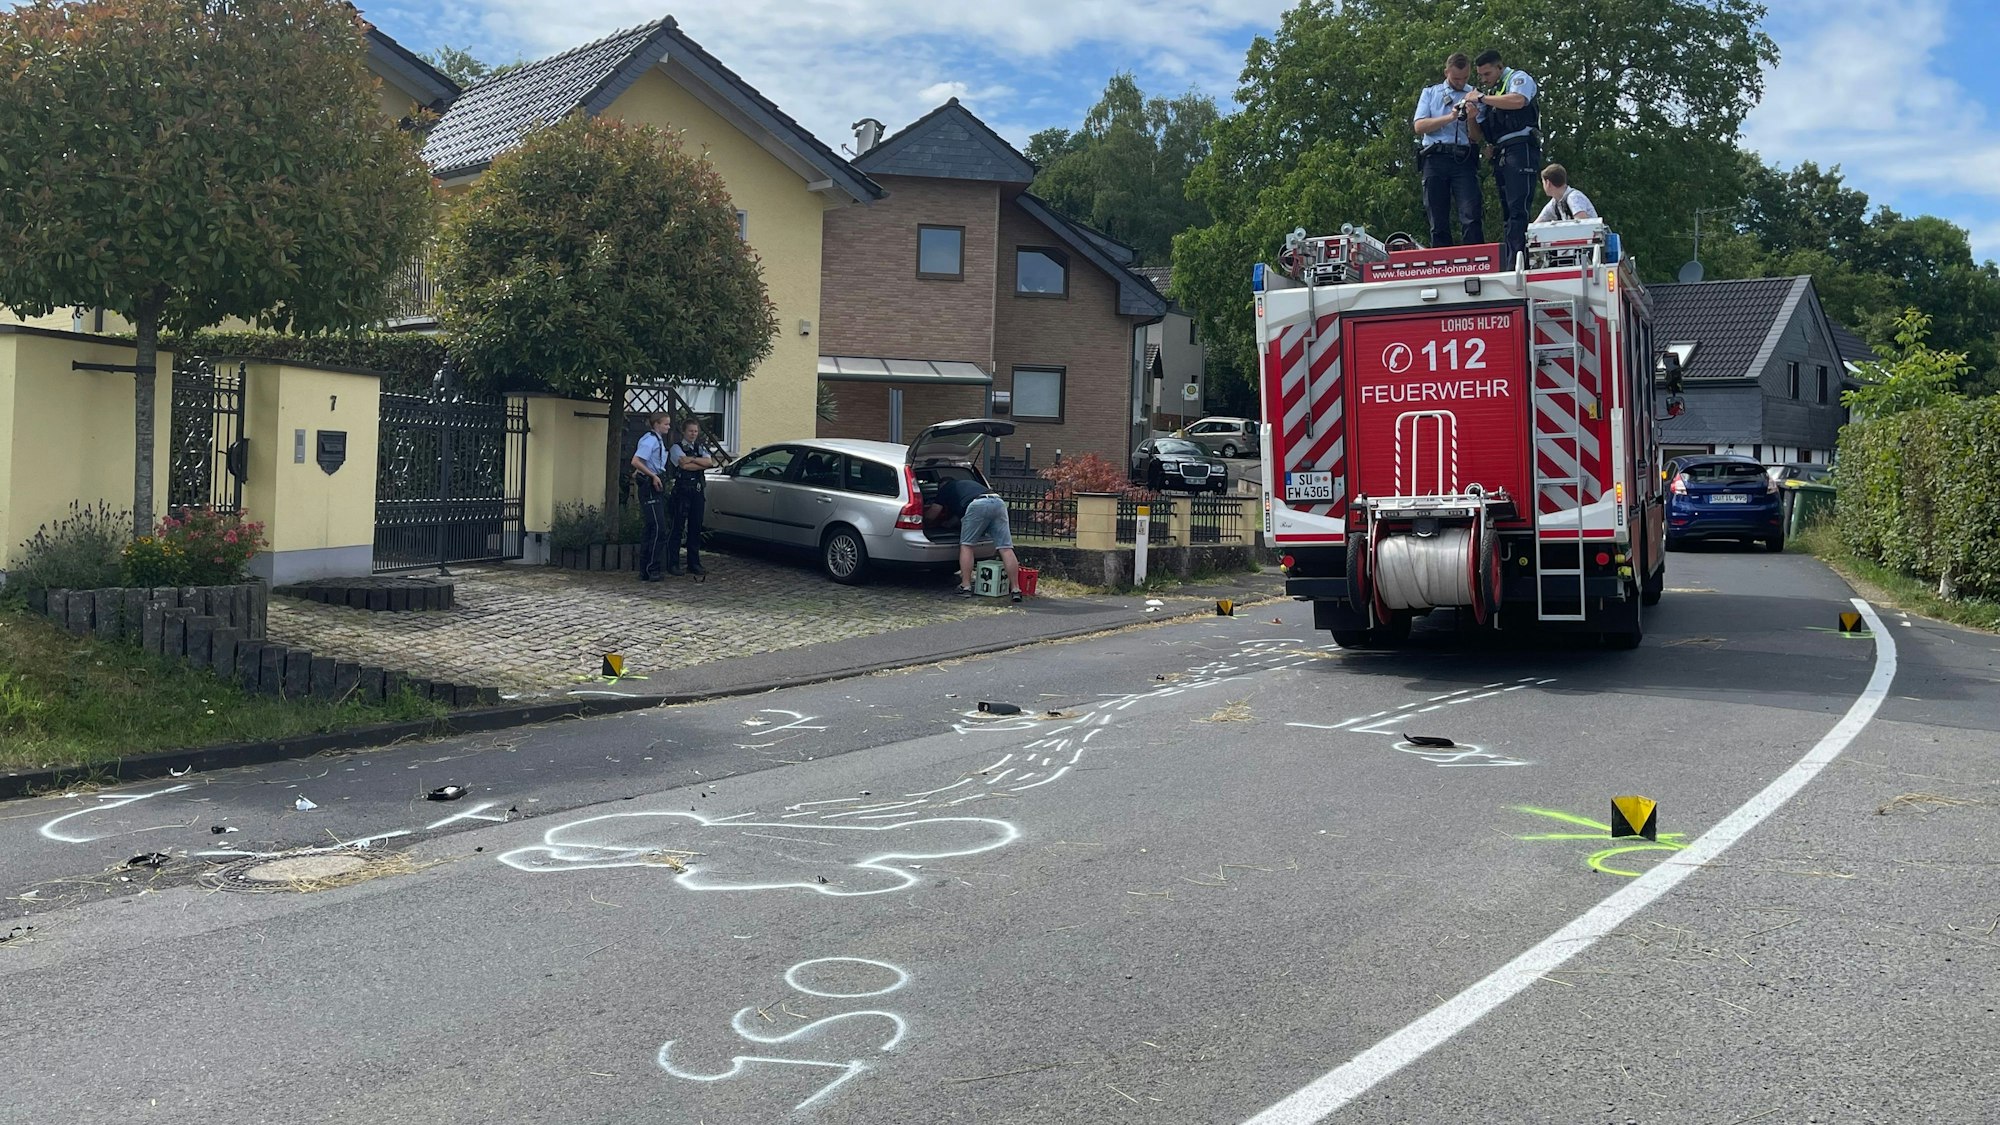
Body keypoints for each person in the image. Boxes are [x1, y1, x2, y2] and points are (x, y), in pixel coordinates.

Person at [1465, 48, 1541, 268]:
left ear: (1499, 67)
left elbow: (1518, 101)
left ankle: (1519, 263)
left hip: (1521, 148)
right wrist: (1471, 116)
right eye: (1480, 75)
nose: (1483, 79)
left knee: (1518, 208)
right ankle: (1512, 260)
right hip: (1501, 153)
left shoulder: (1517, 78)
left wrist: (1482, 97)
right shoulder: (1491, 94)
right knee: (1508, 212)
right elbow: (1476, 135)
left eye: (1487, 74)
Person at [1411, 52, 1484, 248]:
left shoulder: (1474, 94)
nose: (1460, 82)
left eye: (1465, 78)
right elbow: (1419, 126)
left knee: (1471, 213)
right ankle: (1442, 259)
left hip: (1463, 158)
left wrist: (1471, 117)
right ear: (1446, 72)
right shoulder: (1430, 93)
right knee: (1437, 215)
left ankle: (1475, 257)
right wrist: (1450, 117)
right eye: (1456, 78)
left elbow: (1476, 137)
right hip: (1435, 157)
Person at [923, 477, 1022, 603]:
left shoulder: (946, 488)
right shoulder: (966, 486)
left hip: (977, 505)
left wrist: (923, 521)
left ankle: (965, 586)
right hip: (998, 502)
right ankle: (1015, 589)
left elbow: (933, 513)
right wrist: (948, 524)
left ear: (942, 485)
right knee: (1005, 547)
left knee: (967, 545)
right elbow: (959, 516)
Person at [664, 418, 717, 578]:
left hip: (698, 491)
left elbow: (709, 463)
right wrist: (697, 463)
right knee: (677, 527)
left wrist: (693, 459)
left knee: (695, 527)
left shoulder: (700, 447)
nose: (693, 434)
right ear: (684, 432)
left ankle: (694, 563)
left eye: (695, 431)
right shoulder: (676, 448)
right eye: (690, 431)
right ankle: (673, 563)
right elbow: (683, 465)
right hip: (682, 491)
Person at [629, 412, 673, 582]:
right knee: (658, 527)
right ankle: (651, 568)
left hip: (653, 482)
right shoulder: (650, 440)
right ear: (656, 424)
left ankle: (645, 570)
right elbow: (636, 461)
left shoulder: (657, 440)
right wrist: (652, 476)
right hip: (650, 484)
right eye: (666, 424)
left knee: (651, 528)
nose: (668, 427)